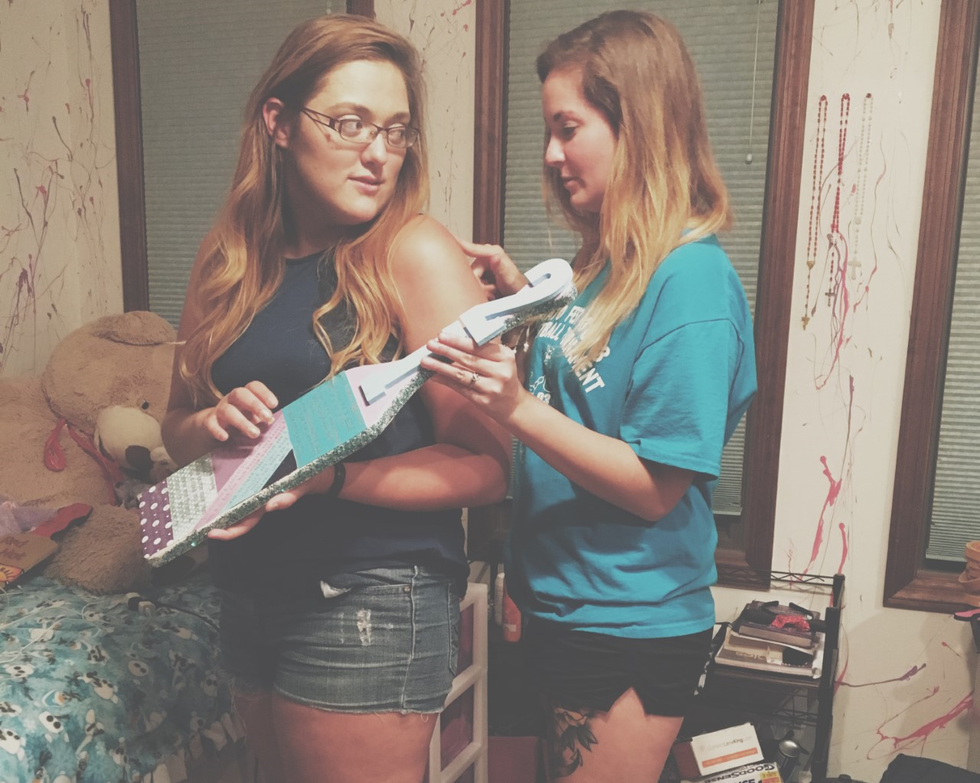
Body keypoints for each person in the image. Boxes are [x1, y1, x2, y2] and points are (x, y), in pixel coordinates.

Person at [161, 14, 510, 783]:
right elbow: (174, 426)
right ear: (279, 122)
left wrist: (330, 476)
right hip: (247, 588)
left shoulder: (415, 253)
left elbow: (489, 465)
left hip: (370, 594)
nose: (378, 153)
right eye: (350, 123)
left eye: (396, 130)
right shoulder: (226, 258)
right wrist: (212, 422)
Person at [421, 10, 757, 782]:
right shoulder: (607, 263)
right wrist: (525, 309)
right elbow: (585, 397)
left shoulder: (691, 281)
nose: (551, 154)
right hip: (566, 601)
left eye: (568, 128)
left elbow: (653, 485)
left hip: (627, 619)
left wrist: (514, 407)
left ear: (638, 125)